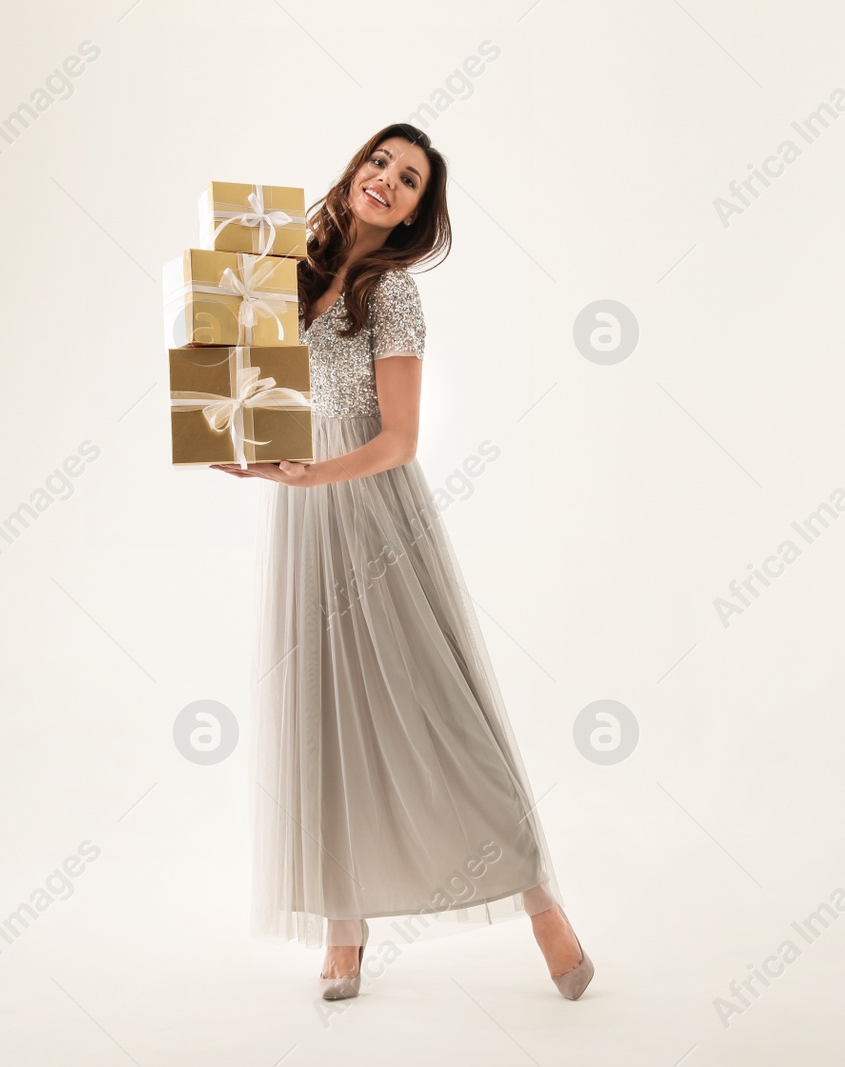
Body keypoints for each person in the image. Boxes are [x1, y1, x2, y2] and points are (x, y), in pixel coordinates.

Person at [211, 123, 594, 1002]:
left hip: (376, 520)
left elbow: (399, 441)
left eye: (410, 178)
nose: (387, 179)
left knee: (443, 716)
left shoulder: (394, 296)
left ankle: (543, 903)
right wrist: (248, 455)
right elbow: (260, 403)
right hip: (306, 523)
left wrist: (312, 476)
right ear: (354, 169)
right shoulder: (286, 276)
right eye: (380, 161)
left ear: (420, 211)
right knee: (326, 720)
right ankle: (344, 933)